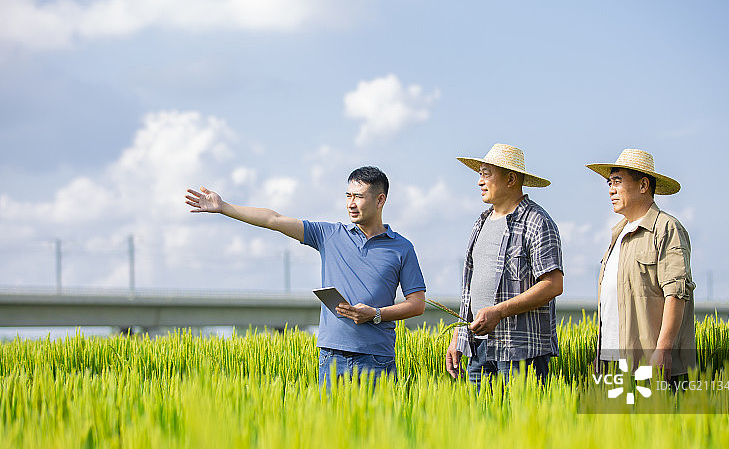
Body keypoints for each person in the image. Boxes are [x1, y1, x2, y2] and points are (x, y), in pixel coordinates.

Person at [185, 166, 426, 388]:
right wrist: (224, 207)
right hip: (332, 357)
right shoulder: (329, 235)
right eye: (348, 195)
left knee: (379, 433)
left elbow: (417, 304)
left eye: (359, 197)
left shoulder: (402, 248)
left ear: (380, 200)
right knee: (330, 433)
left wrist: (375, 314)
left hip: (376, 359)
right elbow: (274, 220)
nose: (351, 203)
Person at [444, 144, 564, 388]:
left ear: (510, 179)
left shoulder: (537, 222)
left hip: (520, 350)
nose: (480, 181)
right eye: (479, 173)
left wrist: (499, 311)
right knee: (481, 423)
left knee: (520, 423)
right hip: (479, 347)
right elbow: (471, 287)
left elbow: (553, 285)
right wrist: (459, 335)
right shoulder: (481, 222)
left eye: (486, 174)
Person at [585, 148, 696, 387]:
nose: (610, 189)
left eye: (617, 181)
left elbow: (676, 294)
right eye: (609, 182)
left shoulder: (666, 229)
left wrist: (663, 350)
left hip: (649, 362)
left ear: (643, 185)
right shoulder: (618, 233)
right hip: (612, 361)